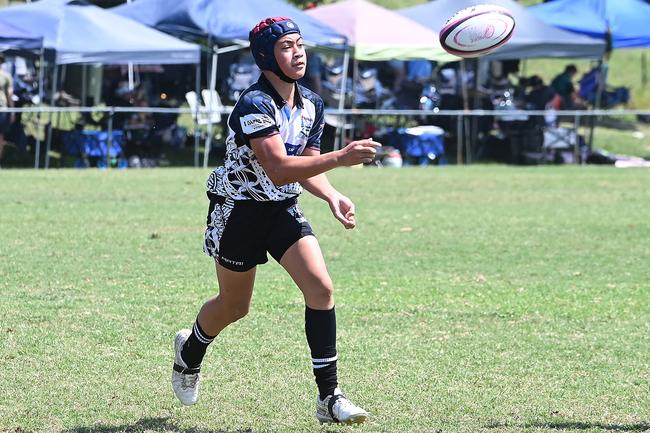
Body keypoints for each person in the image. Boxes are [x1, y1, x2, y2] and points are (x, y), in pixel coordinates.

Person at [171, 16, 380, 425]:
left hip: (282, 210)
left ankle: (329, 397)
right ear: (266, 56)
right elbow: (279, 168)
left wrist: (332, 195)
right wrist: (342, 156)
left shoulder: (312, 104)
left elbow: (304, 165)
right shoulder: (254, 104)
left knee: (321, 288)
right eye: (287, 46)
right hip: (239, 214)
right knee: (234, 306)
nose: (298, 52)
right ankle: (189, 353)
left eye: (300, 44)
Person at [0, 54, 15, 166]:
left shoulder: (6, 76)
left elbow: (9, 95)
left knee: (0, 137)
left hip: (2, 109)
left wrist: (12, 111)